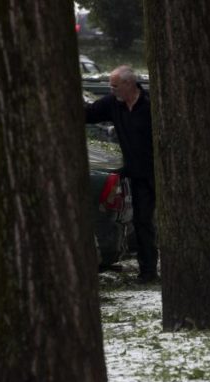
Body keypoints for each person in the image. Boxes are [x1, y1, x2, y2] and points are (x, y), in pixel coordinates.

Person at [85, 65, 158, 284]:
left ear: (129, 84)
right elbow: (88, 114)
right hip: (136, 174)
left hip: (157, 172)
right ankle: (147, 271)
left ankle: (156, 269)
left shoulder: (150, 105)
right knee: (141, 221)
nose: (112, 89)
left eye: (115, 86)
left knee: (153, 222)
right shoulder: (112, 104)